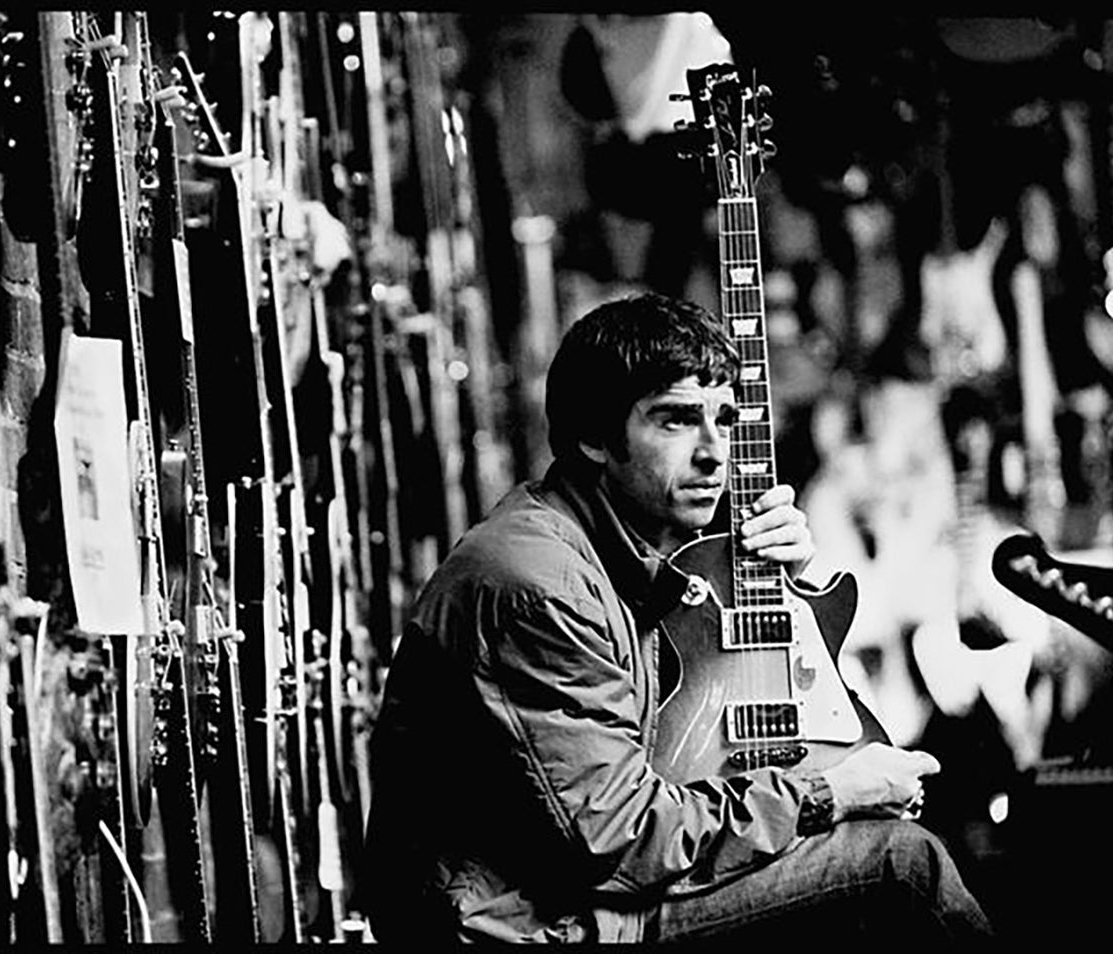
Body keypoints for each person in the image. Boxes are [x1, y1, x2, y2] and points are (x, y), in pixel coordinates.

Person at [361, 293, 992, 943]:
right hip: (527, 926)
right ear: (593, 437)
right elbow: (623, 840)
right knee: (898, 863)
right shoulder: (540, 585)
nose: (713, 452)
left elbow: (675, 759)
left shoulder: (603, 549)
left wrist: (788, 589)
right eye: (675, 421)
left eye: (723, 419)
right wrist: (828, 795)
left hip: (562, 900)